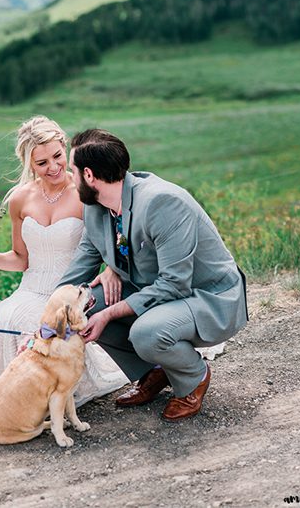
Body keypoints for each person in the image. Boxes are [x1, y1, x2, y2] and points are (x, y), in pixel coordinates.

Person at [57, 128, 248, 421]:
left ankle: (193, 377)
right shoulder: (94, 207)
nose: (69, 176)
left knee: (145, 332)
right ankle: (154, 373)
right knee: (89, 304)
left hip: (205, 296)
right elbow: (78, 270)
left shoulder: (163, 202)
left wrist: (109, 314)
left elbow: (175, 283)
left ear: (89, 175)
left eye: (71, 170)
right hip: (154, 292)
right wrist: (50, 318)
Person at [0, 116, 129, 406]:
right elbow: (21, 259)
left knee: (32, 321)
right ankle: (12, 398)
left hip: (70, 292)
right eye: (41, 163)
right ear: (29, 164)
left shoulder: (86, 193)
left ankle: (44, 397)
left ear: (65, 148)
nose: (52, 167)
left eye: (57, 156)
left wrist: (113, 268)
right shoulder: (19, 199)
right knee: (1, 314)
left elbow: (119, 237)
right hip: (30, 288)